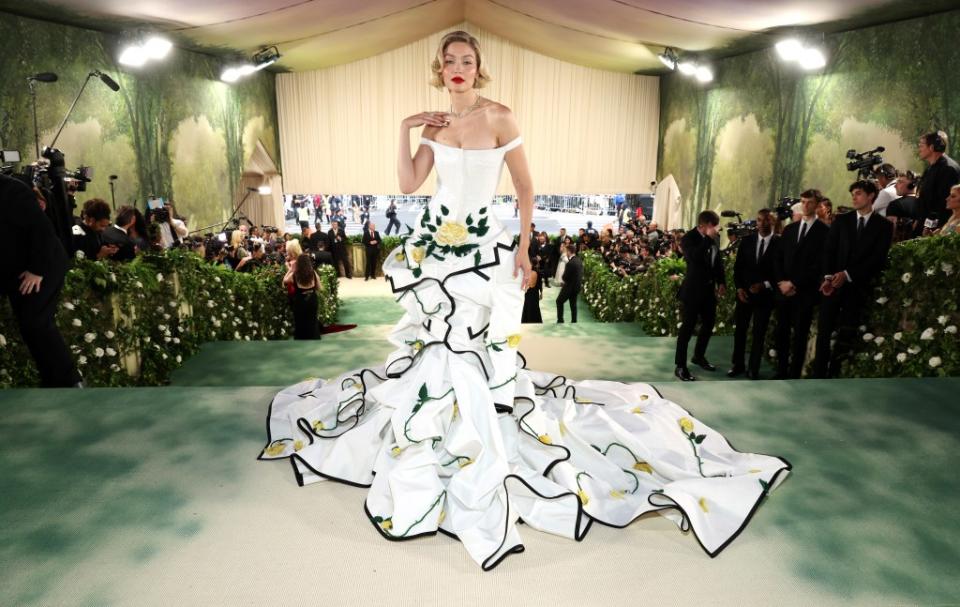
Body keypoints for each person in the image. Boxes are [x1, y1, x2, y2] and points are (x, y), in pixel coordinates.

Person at [260, 29, 788, 570]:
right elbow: (409, 181)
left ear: (479, 67)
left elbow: (526, 187)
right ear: (439, 70)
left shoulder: (499, 116)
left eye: (467, 60)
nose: (459, 67)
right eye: (450, 61)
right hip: (439, 247)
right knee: (437, 339)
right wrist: (406, 128)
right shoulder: (437, 126)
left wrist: (526, 250)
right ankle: (441, 427)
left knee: (477, 340)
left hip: (484, 246)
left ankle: (482, 424)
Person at [0, 174, 81, 387]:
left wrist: (37, 270)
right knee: (29, 325)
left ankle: (70, 383)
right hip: (17, 271)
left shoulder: (12, 190)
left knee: (36, 322)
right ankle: (52, 380)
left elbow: (42, 231)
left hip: (43, 265)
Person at [813, 180, 893, 379]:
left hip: (858, 287)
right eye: (853, 194)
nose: (854, 198)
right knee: (823, 333)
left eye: (858, 193)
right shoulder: (842, 220)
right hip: (831, 286)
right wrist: (828, 277)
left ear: (871, 196)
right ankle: (818, 375)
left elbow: (878, 259)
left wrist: (848, 275)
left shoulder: (883, 226)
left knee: (846, 334)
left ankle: (834, 375)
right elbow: (829, 251)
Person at [773, 190, 829, 379]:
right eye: (803, 201)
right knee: (781, 332)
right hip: (784, 291)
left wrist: (794, 283)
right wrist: (782, 282)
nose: (805, 205)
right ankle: (781, 371)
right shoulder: (790, 229)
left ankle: (794, 374)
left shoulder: (824, 232)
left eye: (809, 202)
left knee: (800, 335)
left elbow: (820, 264)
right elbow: (778, 259)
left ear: (817, 205)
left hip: (805, 293)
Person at [674, 210, 726, 381]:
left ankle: (698, 356)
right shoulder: (688, 238)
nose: (716, 229)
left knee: (709, 323)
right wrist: (708, 239)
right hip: (692, 291)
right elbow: (694, 257)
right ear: (703, 226)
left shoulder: (714, 238)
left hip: (708, 291)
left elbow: (716, 261)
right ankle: (680, 366)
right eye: (713, 226)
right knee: (687, 329)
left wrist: (721, 282)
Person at [729, 209, 779, 380]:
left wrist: (764, 285)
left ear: (772, 222)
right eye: (759, 220)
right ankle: (737, 364)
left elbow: (781, 272)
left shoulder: (780, 243)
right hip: (744, 294)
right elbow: (738, 269)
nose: (762, 223)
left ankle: (753, 369)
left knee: (759, 333)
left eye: (766, 220)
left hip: (765, 297)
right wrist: (739, 289)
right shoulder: (746, 241)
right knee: (740, 332)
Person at [917, 130, 960, 227]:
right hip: (925, 223)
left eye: (921, 145)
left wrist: (932, 228)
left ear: (931, 147)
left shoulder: (948, 169)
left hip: (937, 228)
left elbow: (944, 205)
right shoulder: (930, 168)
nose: (919, 149)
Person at [284, 253, 322, 339]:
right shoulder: (313, 273)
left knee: (300, 322)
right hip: (312, 300)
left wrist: (290, 270)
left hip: (300, 302)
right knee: (313, 321)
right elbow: (319, 287)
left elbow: (284, 281)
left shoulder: (295, 275)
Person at [555, 242, 582, 323]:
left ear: (569, 251)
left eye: (566, 251)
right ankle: (574, 321)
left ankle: (560, 320)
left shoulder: (570, 263)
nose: (566, 253)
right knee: (573, 304)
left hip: (569, 287)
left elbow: (564, 277)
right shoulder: (579, 260)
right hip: (577, 287)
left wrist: (564, 280)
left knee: (559, 301)